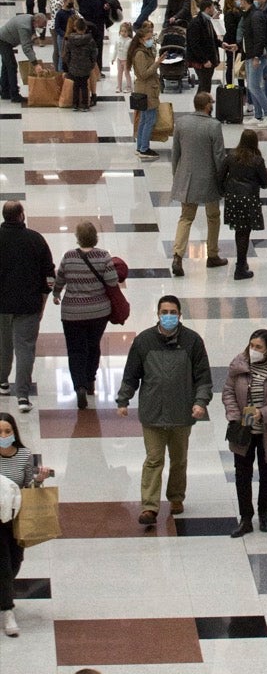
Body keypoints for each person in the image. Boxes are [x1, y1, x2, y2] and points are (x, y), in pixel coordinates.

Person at [116, 293, 212, 528]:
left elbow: (203, 378)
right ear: (157, 314)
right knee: (154, 459)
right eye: (164, 312)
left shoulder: (193, 341)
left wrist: (200, 402)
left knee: (179, 459)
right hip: (153, 413)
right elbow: (132, 374)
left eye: (172, 312)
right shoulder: (143, 341)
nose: (168, 316)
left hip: (182, 413)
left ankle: (176, 497)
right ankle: (149, 506)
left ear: (180, 315)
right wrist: (123, 400)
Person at [222, 329, 267, 537]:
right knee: (242, 474)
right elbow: (228, 392)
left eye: (258, 347)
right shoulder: (239, 366)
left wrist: (261, 413)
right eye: (251, 345)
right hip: (243, 431)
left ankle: (263, 513)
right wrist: (235, 415)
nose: (253, 350)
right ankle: (245, 518)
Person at [51, 219, 121, 408]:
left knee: (75, 349)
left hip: (72, 313)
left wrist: (56, 294)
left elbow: (60, 279)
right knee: (93, 345)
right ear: (95, 237)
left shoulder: (69, 256)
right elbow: (113, 282)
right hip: (99, 312)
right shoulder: (104, 256)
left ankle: (79, 386)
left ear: (78, 238)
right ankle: (90, 380)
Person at [0, 412, 54, 638]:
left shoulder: (23, 455)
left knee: (15, 560)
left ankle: (4, 594)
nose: (3, 436)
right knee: (2, 563)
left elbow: (28, 487)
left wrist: (39, 480)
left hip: (15, 517)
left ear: (14, 433)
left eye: (7, 431)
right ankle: (7, 609)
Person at [0, 201, 55, 414]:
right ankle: (22, 395)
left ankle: (3, 382)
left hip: (2, 305)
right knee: (25, 349)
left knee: (3, 344)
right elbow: (49, 275)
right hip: (28, 305)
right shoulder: (36, 240)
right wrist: (43, 299)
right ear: (22, 215)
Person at [170, 91, 228, 277]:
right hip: (209, 179)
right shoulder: (214, 126)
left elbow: (175, 153)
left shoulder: (181, 123)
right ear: (207, 106)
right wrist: (223, 179)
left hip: (186, 179)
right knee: (213, 216)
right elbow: (219, 156)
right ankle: (212, 254)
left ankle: (178, 256)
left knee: (186, 217)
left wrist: (176, 175)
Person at [220, 128, 267, 281]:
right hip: (249, 199)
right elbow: (266, 182)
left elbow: (220, 176)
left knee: (239, 231)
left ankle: (242, 263)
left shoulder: (231, 156)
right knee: (244, 232)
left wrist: (224, 192)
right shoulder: (257, 160)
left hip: (233, 198)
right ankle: (240, 267)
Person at [129, 19, 162, 158]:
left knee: (144, 119)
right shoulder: (140, 54)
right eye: (148, 39)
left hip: (148, 89)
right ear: (141, 40)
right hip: (146, 90)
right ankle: (144, 148)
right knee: (149, 120)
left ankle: (140, 146)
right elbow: (143, 74)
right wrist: (157, 64)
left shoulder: (145, 51)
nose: (150, 41)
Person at [0, 12, 46, 104]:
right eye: (41, 26)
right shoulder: (24, 27)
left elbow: (30, 40)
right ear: (36, 22)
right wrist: (35, 64)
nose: (42, 29)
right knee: (12, 66)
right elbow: (26, 47)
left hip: (5, 39)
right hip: (3, 41)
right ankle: (15, 95)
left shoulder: (30, 18)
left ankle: (5, 92)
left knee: (6, 66)